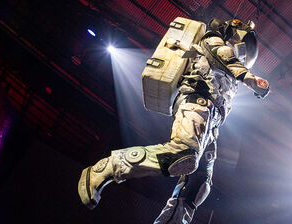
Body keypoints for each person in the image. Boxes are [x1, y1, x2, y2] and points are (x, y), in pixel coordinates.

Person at [77, 18, 270, 223]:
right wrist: (252, 80)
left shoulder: (229, 70)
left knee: (199, 183)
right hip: (197, 101)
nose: (247, 53)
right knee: (183, 156)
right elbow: (224, 56)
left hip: (210, 120)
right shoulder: (214, 41)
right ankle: (108, 168)